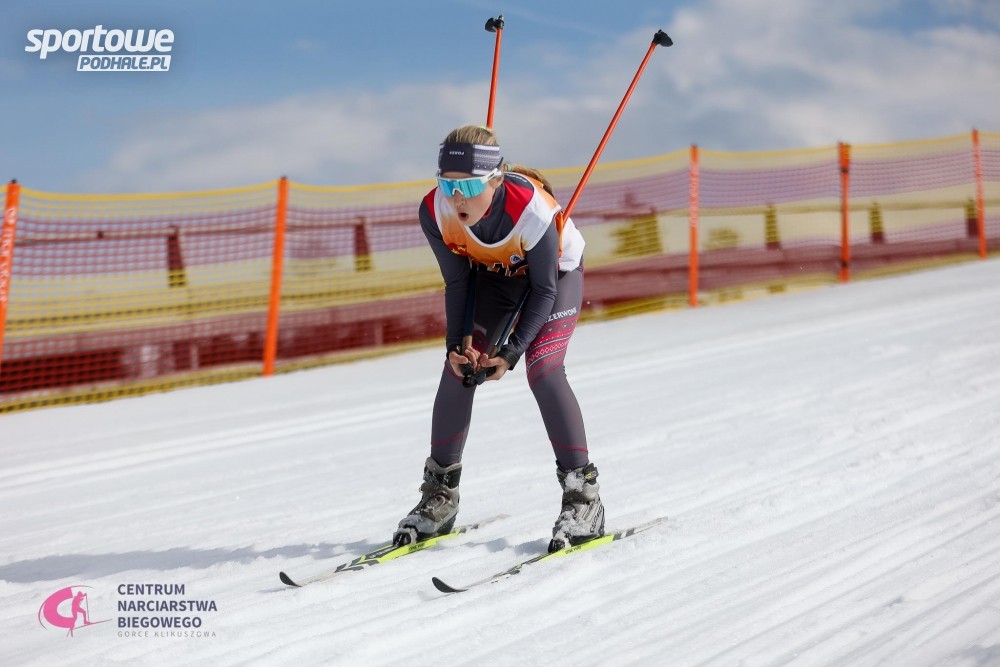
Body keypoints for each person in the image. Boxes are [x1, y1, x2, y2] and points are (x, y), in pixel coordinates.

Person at [392, 124, 605, 553]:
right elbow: (458, 283)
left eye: (469, 186)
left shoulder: (533, 211)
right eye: (447, 184)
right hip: (496, 275)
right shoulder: (435, 211)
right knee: (460, 368)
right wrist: (456, 345)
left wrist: (509, 353)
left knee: (543, 370)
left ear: (495, 178)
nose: (457, 197)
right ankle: (440, 496)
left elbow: (543, 291)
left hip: (554, 277)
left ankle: (584, 499)